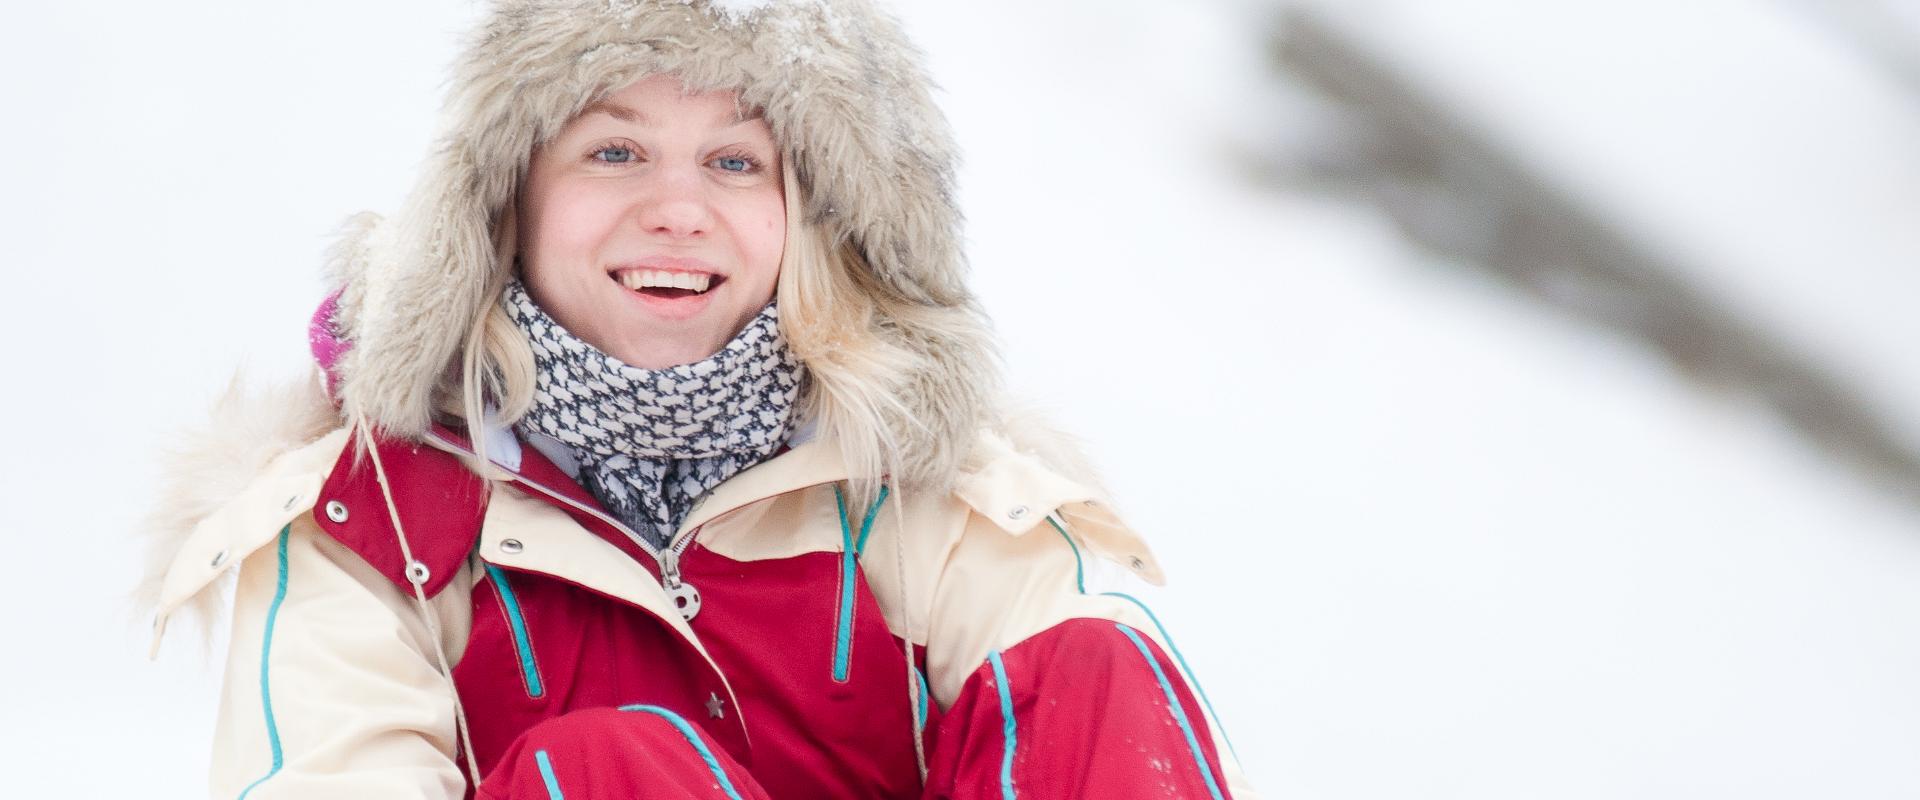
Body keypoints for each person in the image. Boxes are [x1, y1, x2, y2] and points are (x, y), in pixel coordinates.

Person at [140, 0, 1258, 797]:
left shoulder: (922, 489)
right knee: (607, 770)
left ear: (802, 221)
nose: (677, 209)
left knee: (1093, 665)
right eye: (615, 151)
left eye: (733, 163)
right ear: (504, 207)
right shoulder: (375, 516)